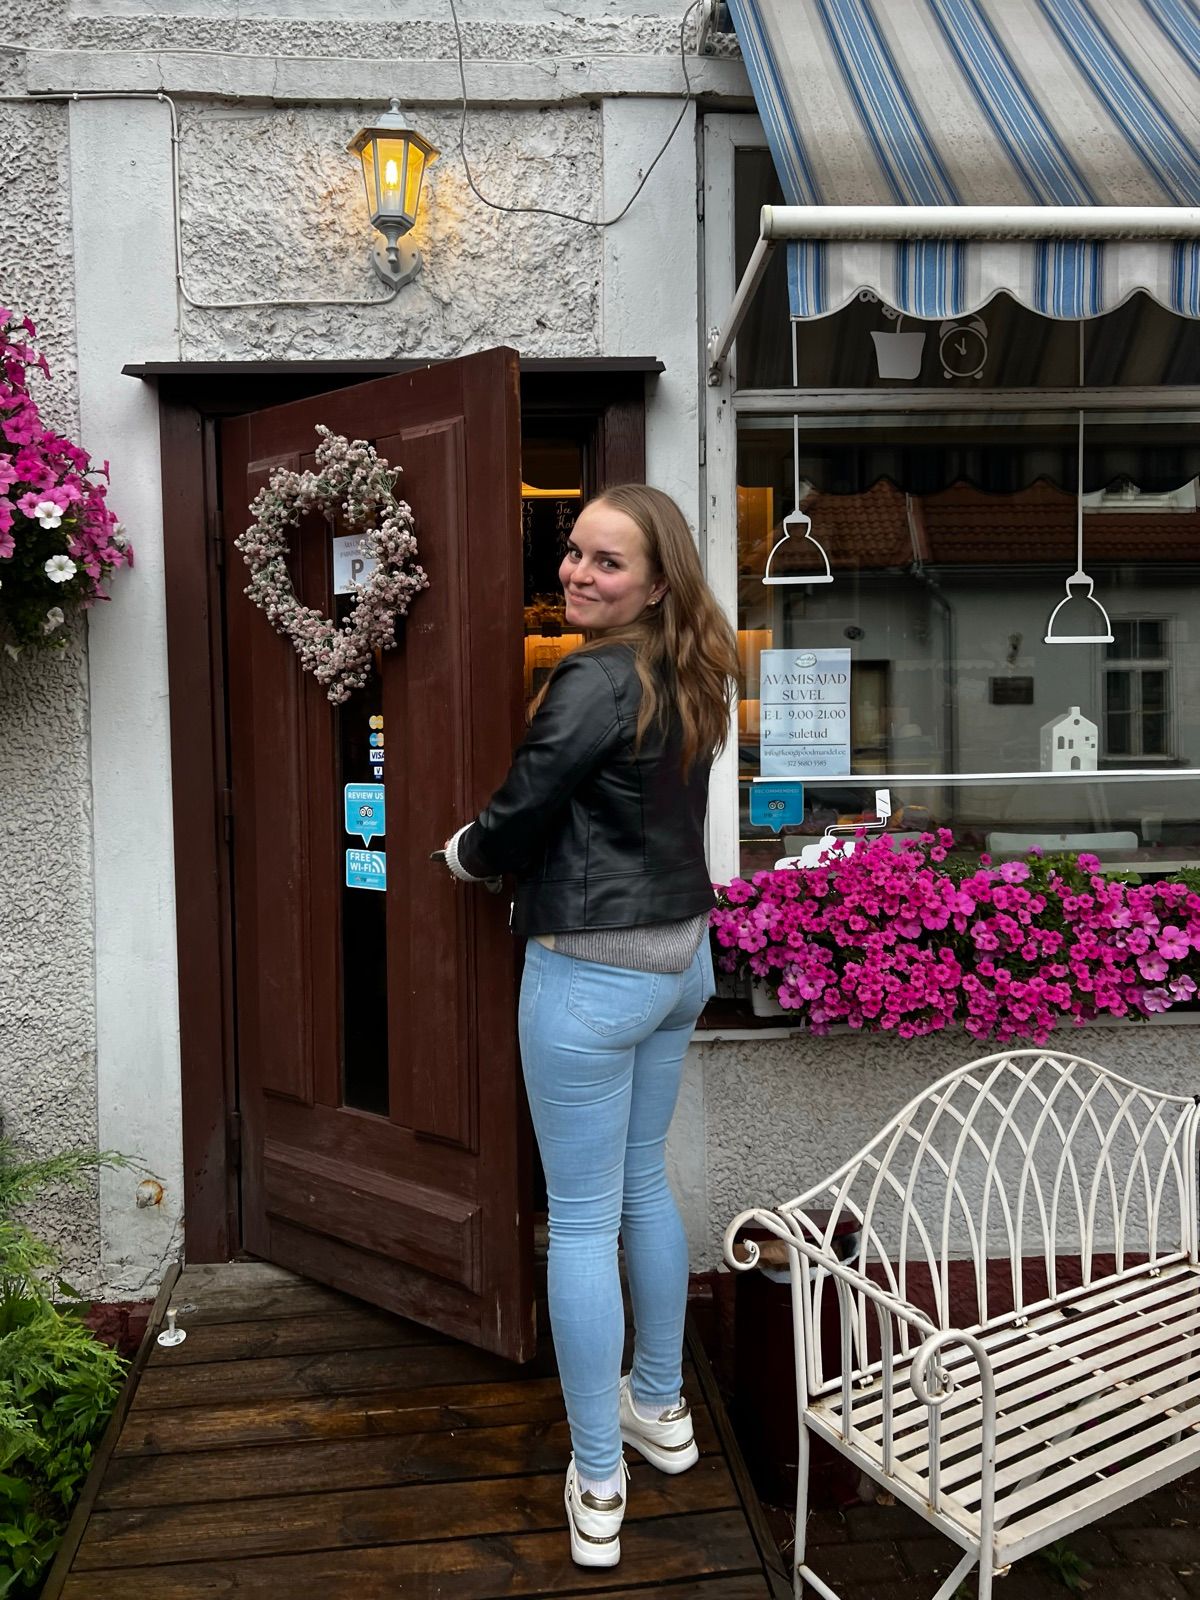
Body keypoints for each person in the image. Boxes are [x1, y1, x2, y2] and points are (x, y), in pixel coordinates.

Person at [440, 483, 739, 1568]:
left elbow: (524, 805)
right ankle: (660, 1409)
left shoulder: (595, 675)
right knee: (640, 1184)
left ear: (656, 583)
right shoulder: (696, 666)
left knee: (579, 1221)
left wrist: (466, 854)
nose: (576, 573)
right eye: (573, 551)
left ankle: (601, 1482)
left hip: (594, 971)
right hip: (680, 959)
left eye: (607, 562)